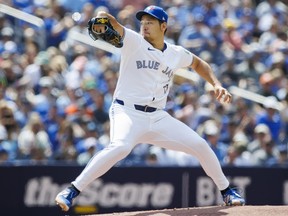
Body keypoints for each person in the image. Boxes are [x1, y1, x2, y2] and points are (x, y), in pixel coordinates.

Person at [55, 5, 245, 211]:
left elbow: (199, 64)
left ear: (163, 26)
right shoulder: (133, 41)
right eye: (143, 21)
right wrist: (102, 16)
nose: (144, 25)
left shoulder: (175, 53)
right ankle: (71, 191)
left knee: (200, 146)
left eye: (150, 22)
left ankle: (227, 191)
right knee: (121, 147)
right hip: (127, 112)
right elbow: (112, 23)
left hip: (157, 117)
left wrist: (216, 84)